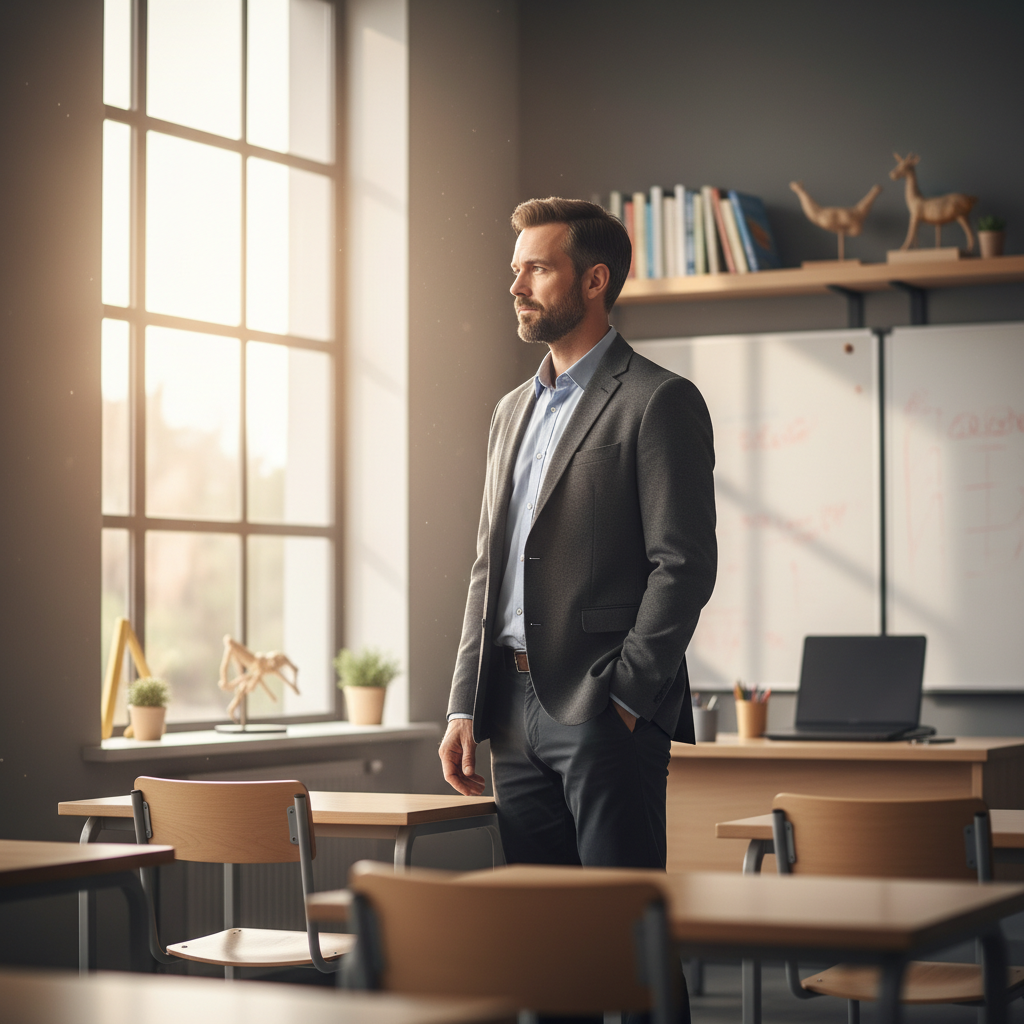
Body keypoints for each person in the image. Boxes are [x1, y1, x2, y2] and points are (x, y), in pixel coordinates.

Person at [439, 197, 717, 874]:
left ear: (594, 281)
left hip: (600, 709)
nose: (516, 286)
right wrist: (462, 705)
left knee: (626, 937)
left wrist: (624, 697)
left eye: (536, 269)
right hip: (509, 711)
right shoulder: (510, 412)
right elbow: (490, 567)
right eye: (515, 269)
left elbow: (682, 565)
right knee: (547, 939)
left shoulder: (658, 400)